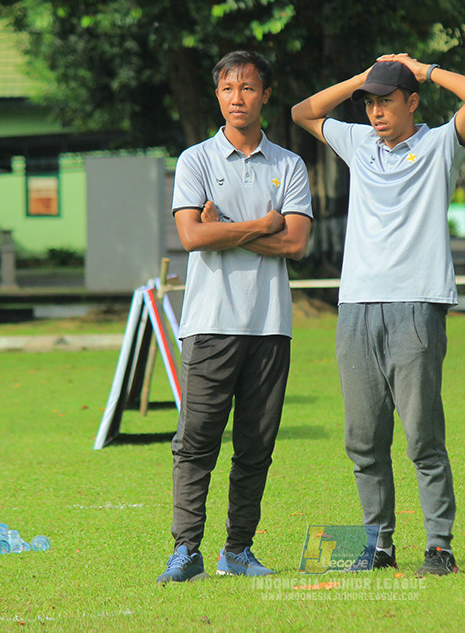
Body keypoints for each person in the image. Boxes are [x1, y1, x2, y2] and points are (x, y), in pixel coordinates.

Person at [291, 54, 465, 577]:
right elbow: (301, 112)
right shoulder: (360, 143)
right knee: (363, 439)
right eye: (370, 104)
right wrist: (365, 78)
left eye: (386, 101)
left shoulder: (440, 145)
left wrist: (422, 68)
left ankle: (439, 547)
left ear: (412, 102)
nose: (376, 112)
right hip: (356, 307)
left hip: (416, 307)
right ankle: (378, 545)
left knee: (422, 438)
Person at [157, 50, 313, 584]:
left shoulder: (289, 165)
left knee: (255, 446)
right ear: (217, 95)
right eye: (227, 88)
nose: (236, 98)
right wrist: (263, 224)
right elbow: (191, 237)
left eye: (247, 88)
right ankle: (186, 551)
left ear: (266, 94)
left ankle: (238, 551)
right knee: (196, 440)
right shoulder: (195, 160)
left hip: (270, 326)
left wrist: (226, 227)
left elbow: (294, 244)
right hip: (209, 323)